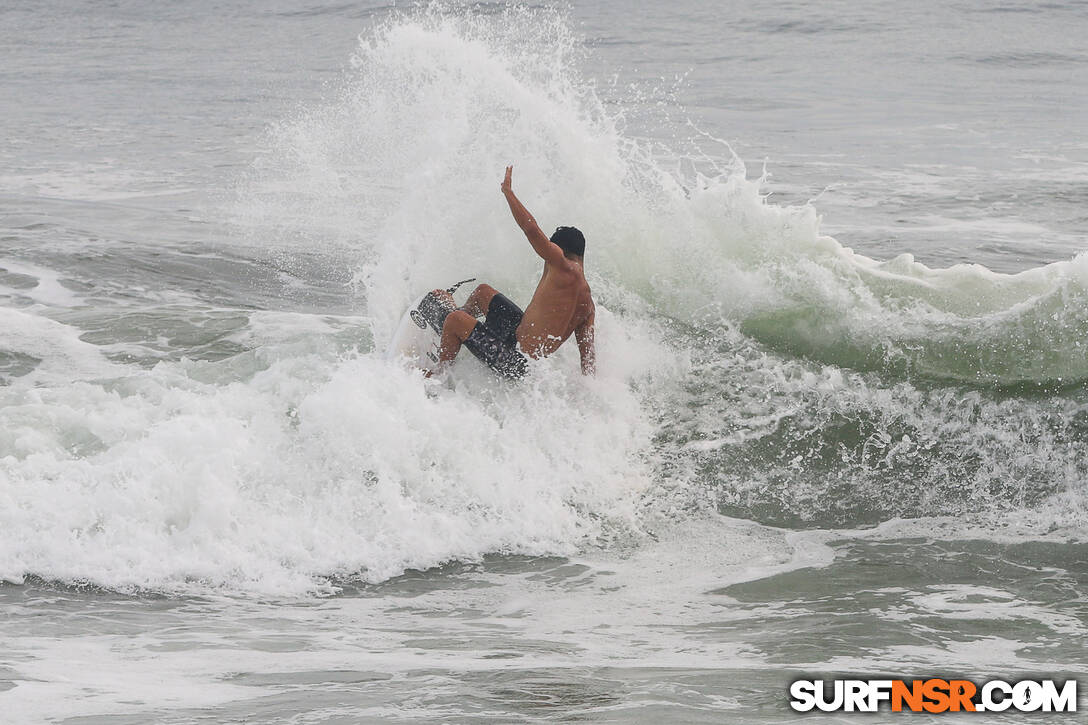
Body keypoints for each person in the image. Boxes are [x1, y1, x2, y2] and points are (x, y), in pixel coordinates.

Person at [428, 165, 595, 378]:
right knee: (482, 292)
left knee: (456, 319)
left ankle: (439, 373)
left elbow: (531, 229)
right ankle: (452, 334)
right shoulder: (588, 307)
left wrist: (508, 192)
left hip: (516, 362)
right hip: (520, 341)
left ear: (561, 251)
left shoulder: (563, 265)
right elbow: (588, 360)